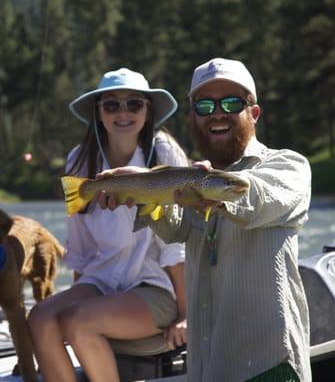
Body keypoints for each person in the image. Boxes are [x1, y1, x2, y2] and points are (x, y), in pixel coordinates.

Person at [98, 58, 312, 381]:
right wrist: (139, 192)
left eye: (231, 103)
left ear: (253, 113)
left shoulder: (289, 166)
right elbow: (174, 228)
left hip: (269, 366)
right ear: (192, 118)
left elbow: (255, 196)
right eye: (205, 105)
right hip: (208, 368)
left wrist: (212, 189)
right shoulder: (193, 179)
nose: (217, 113)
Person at [27, 68, 189, 382]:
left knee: (79, 322)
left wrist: (187, 315)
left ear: (148, 111)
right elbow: (82, 247)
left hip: (157, 286)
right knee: (40, 318)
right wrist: (78, 295)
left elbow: (176, 245)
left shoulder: (164, 152)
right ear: (98, 113)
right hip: (102, 281)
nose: (123, 112)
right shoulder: (78, 160)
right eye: (111, 105)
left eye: (134, 104)